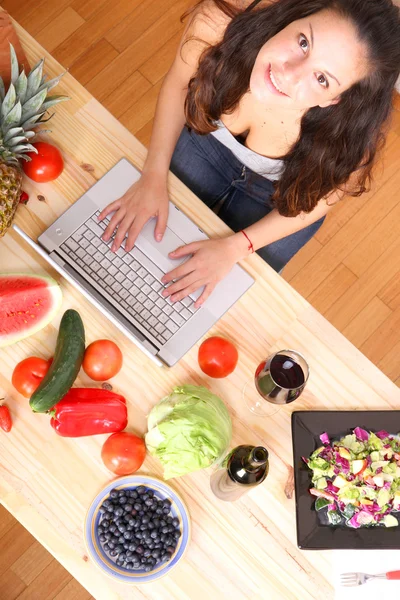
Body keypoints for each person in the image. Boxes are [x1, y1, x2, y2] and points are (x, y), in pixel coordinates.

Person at [99, 0, 400, 307]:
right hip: (204, 143)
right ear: (291, 17)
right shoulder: (217, 24)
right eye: (303, 42)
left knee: (211, 303)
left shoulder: (348, 136)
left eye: (321, 79)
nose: (289, 73)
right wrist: (152, 173)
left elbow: (314, 204)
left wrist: (235, 248)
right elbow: (180, 81)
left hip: (283, 201)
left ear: (336, 99)